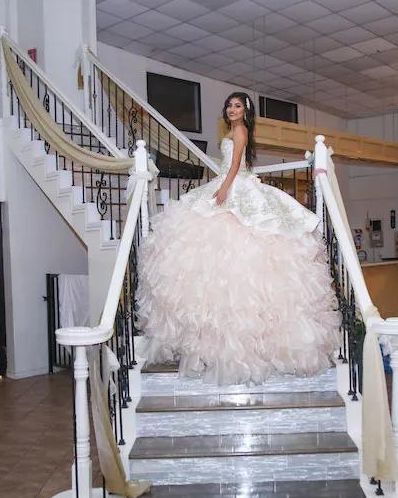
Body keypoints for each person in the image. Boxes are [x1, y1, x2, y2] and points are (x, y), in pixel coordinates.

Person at [136, 92, 340, 386]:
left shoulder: (241, 130)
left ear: (246, 112)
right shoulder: (232, 130)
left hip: (235, 184)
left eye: (238, 106)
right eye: (230, 105)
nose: (232, 110)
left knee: (246, 245)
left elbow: (234, 166)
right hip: (226, 183)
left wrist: (224, 190)